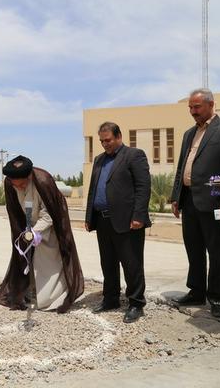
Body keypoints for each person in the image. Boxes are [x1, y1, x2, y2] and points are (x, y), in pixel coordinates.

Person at [171, 88, 220, 318]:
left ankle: (217, 298)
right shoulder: (189, 134)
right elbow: (182, 167)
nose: (192, 111)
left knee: (216, 252)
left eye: (196, 107)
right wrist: (176, 197)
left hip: (215, 201)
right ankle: (197, 291)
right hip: (190, 200)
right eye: (190, 107)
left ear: (211, 105)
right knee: (194, 249)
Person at [0, 156, 84, 313]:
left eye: (22, 184)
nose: (19, 188)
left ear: (28, 177)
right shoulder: (10, 183)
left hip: (50, 226)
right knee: (30, 260)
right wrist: (27, 229)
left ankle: (54, 297)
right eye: (16, 185)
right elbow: (21, 208)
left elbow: (49, 214)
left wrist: (35, 231)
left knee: (48, 263)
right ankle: (31, 292)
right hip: (32, 226)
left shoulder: (43, 181)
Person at [85, 122, 151, 323]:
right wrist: (89, 217)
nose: (105, 144)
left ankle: (136, 303)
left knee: (131, 264)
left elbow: (143, 186)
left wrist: (139, 216)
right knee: (108, 263)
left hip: (128, 221)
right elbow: (93, 189)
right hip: (103, 220)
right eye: (102, 141)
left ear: (119, 136)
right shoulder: (98, 160)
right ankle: (111, 299)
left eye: (108, 140)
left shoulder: (134, 155)